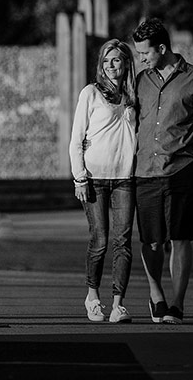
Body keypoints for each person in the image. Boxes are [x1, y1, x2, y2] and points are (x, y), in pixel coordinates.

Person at [131, 18, 193, 325]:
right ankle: (156, 294)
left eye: (145, 53)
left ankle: (177, 304)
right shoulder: (140, 81)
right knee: (151, 240)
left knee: (181, 239)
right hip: (145, 171)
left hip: (182, 169)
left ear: (162, 48)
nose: (141, 59)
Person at [69, 39, 138, 323]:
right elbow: (76, 140)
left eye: (117, 60)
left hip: (124, 179)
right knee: (100, 240)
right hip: (95, 179)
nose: (111, 66)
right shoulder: (91, 93)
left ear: (126, 63)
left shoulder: (133, 96)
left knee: (123, 242)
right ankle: (93, 297)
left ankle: (118, 305)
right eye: (106, 61)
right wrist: (79, 178)